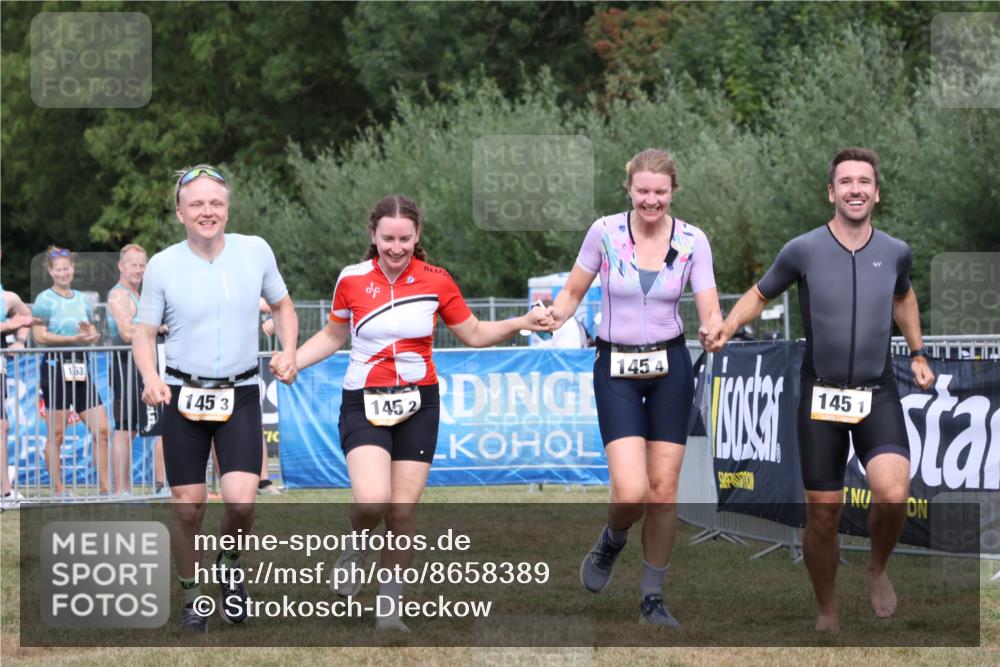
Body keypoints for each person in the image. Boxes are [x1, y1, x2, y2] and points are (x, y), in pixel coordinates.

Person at [294, 194, 549, 632]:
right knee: (373, 500)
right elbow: (333, 335)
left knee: (402, 512)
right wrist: (293, 361)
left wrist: (519, 322)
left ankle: (389, 612)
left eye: (405, 239)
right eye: (388, 238)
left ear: (418, 237)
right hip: (363, 401)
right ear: (373, 235)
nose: (396, 248)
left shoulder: (437, 280)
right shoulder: (352, 279)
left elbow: (471, 331)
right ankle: (355, 545)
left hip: (419, 401)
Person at [705, 147, 935, 631]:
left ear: (877, 192)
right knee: (824, 516)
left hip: (878, 391)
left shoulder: (895, 251)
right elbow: (760, 293)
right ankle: (827, 608)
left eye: (864, 182)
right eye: (846, 182)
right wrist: (727, 325)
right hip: (821, 395)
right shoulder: (803, 249)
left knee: (892, 494)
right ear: (831, 192)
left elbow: (904, 295)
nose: (855, 189)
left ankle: (875, 568)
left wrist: (917, 351)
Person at [549, 148, 723, 628]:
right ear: (629, 189)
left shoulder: (692, 240)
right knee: (631, 490)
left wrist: (712, 326)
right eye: (643, 191)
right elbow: (572, 291)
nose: (651, 201)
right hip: (615, 364)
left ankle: (652, 598)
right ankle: (613, 537)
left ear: (673, 192)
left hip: (670, 365)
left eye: (660, 193)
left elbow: (708, 304)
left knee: (664, 492)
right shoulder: (603, 233)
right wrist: (555, 315)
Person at [133, 164, 299, 632]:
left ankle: (228, 567)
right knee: (189, 507)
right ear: (181, 213)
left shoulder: (256, 251)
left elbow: (283, 305)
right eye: (197, 205)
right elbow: (143, 334)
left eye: (215, 204)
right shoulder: (163, 264)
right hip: (183, 394)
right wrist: (150, 375)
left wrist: (288, 351)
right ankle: (192, 597)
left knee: (242, 503)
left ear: (227, 208)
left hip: (242, 392)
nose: (208, 212)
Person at [31, 247, 110, 496]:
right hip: (55, 368)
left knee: (102, 430)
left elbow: (91, 335)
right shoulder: (44, 300)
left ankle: (107, 490)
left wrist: (90, 335)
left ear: (72, 270)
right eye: (59, 269)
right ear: (51, 272)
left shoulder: (82, 299)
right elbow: (39, 336)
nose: (64, 273)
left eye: (67, 268)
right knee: (56, 435)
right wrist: (73, 339)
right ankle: (59, 490)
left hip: (81, 367)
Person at [107, 243, 166, 496]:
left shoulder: (139, 295)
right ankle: (121, 490)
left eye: (142, 265)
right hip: (124, 367)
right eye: (133, 265)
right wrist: (155, 329)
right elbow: (125, 331)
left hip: (144, 366)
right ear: (121, 266)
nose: (139, 270)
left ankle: (160, 485)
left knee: (159, 426)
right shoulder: (118, 295)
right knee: (124, 428)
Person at [1, 272, 33, 507]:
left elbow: (25, 314)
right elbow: (15, 320)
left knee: (2, 426)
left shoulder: (6, 296)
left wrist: (20, 339)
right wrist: (9, 325)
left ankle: (5, 492)